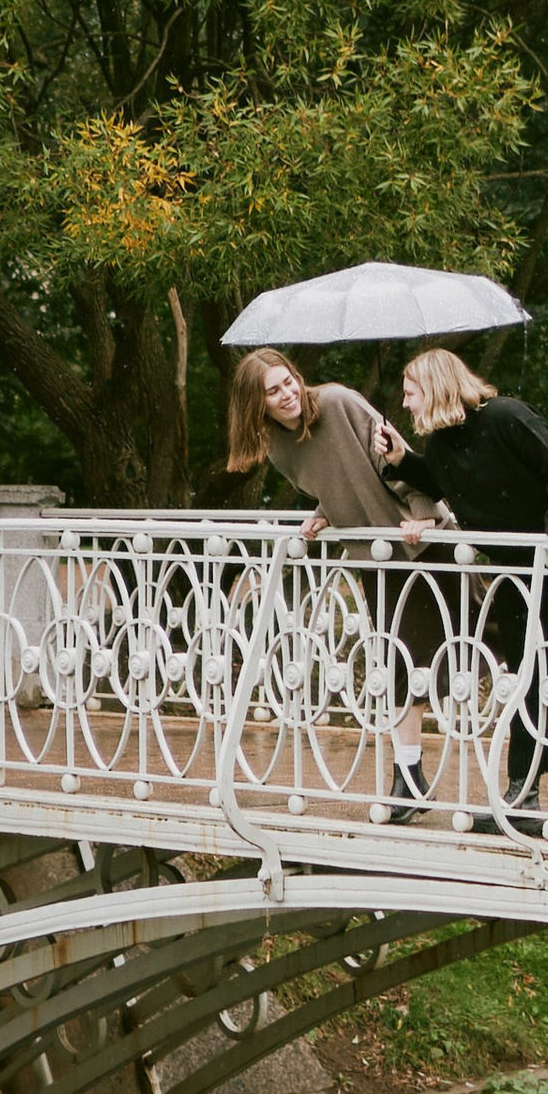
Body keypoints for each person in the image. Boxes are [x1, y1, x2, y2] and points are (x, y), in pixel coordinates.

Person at [395, 349, 548, 826]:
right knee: (529, 672)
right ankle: (522, 794)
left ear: (437, 388)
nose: (405, 404)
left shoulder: (506, 416)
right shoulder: (442, 444)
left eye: (410, 393)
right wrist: (402, 460)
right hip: (516, 568)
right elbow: (443, 480)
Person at [225, 349, 448, 818]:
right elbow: (337, 480)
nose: (287, 395)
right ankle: (410, 778)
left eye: (288, 382)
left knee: (488, 647)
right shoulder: (277, 445)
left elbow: (399, 460)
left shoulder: (340, 402)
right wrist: (324, 512)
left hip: (423, 542)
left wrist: (426, 516)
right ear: (256, 404)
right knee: (399, 664)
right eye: (273, 391)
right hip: (379, 558)